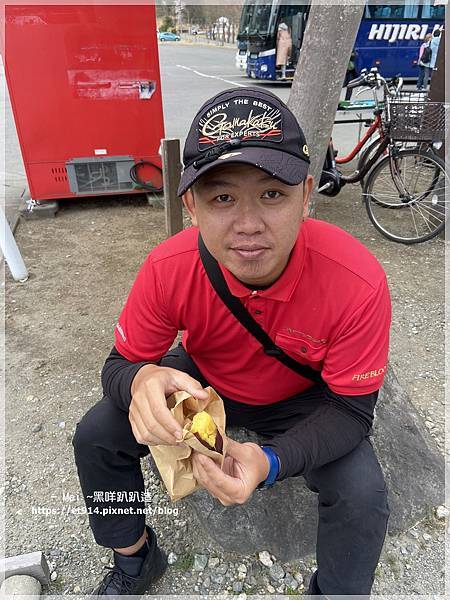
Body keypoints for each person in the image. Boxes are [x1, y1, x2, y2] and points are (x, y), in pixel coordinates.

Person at [72, 87, 391, 597]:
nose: (248, 226)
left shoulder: (357, 281)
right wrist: (141, 379)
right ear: (191, 205)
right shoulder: (168, 268)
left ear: (307, 195)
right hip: (206, 380)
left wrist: (270, 461)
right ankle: (135, 557)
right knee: (96, 435)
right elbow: (119, 365)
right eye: (223, 197)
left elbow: (352, 412)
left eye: (272, 194)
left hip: (303, 399)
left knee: (362, 493)